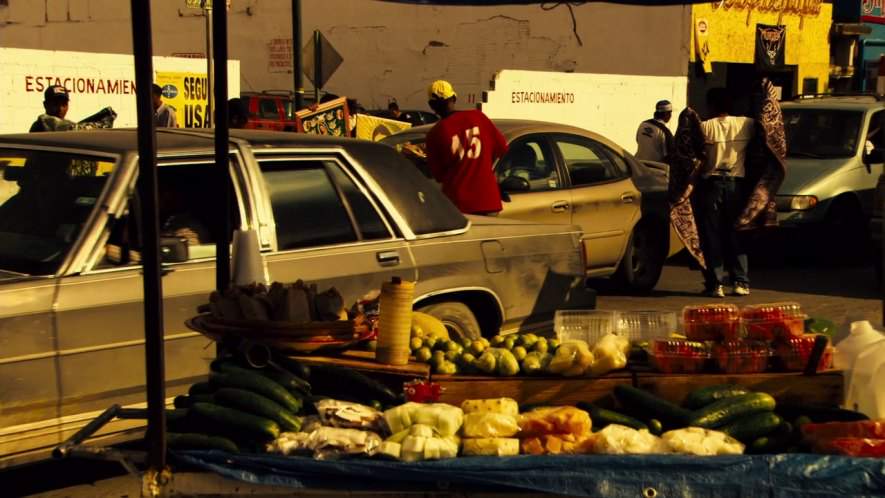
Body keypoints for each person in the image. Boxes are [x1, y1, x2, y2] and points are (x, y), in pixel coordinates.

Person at [694, 88, 755, 298]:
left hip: (711, 185)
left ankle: (716, 284)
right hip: (736, 184)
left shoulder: (704, 127)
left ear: (711, 105)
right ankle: (740, 281)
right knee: (736, 233)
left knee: (712, 235)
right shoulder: (746, 124)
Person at [424, 80, 508, 215]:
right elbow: (501, 148)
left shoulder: (434, 134)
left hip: (458, 205)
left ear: (431, 105)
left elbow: (438, 175)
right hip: (488, 200)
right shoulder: (478, 117)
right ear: (454, 98)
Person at [29, 85, 116, 132]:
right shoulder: (43, 122)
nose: (60, 109)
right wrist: (102, 124)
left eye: (64, 104)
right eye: (55, 104)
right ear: (45, 105)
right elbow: (74, 129)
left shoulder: (64, 125)